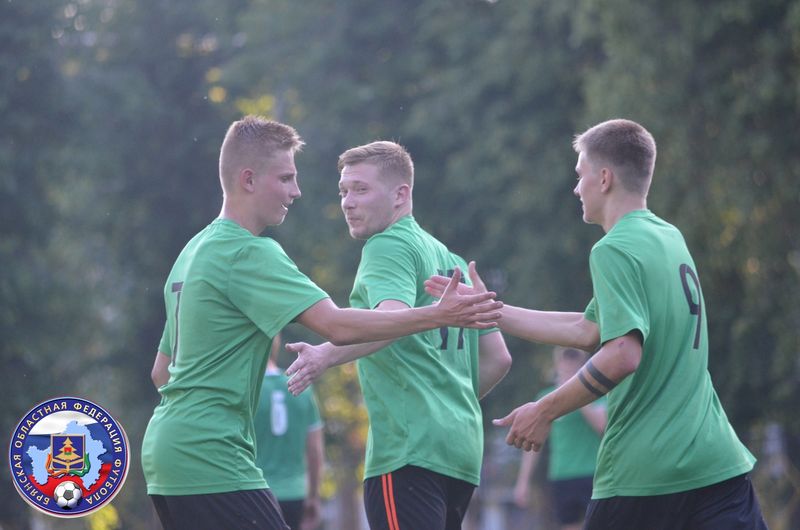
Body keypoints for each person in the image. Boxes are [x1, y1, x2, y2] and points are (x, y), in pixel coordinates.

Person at [141, 117, 502, 530]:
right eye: (286, 178)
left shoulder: (193, 251)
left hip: (168, 449)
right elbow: (336, 326)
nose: (296, 191)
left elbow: (161, 371)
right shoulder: (250, 252)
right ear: (248, 180)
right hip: (210, 456)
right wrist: (438, 314)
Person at [426, 119, 767, 529]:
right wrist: (489, 310)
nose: (576, 188)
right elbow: (588, 330)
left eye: (580, 174)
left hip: (645, 472)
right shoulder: (668, 237)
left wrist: (545, 410)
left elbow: (622, 353)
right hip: (715, 463)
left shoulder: (614, 248)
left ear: (604, 178)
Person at [283, 141, 513, 530]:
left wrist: (326, 353)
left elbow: (390, 319)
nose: (347, 202)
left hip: (409, 449)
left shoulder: (387, 245)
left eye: (360, 189)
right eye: (343, 191)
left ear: (400, 195)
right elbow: (498, 357)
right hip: (460, 449)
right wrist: (445, 405)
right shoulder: (451, 259)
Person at [513, 347, 606, 530]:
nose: (568, 365)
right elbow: (533, 443)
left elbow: (601, 425)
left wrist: (577, 393)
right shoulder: (546, 399)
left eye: (574, 360)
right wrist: (523, 481)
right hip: (561, 475)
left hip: (593, 474)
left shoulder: (597, 393)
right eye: (564, 359)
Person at [255, 332, 324, 530]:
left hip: (257, 493)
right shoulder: (302, 386)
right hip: (295, 494)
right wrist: (314, 496)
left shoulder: (248, 390)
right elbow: (315, 451)